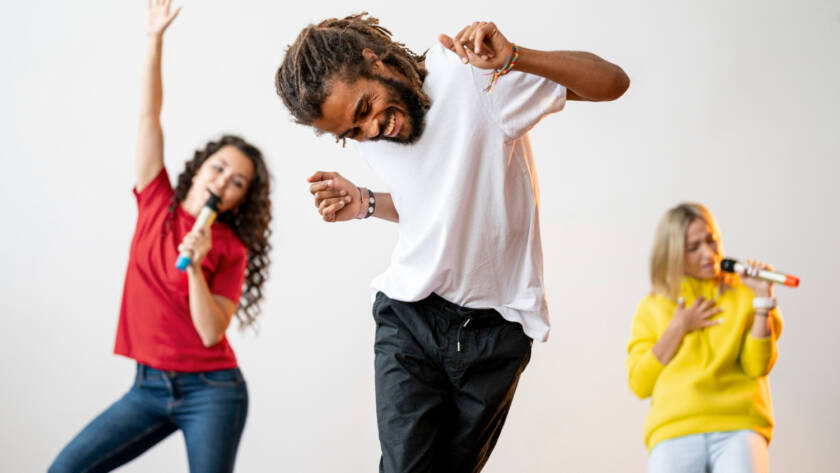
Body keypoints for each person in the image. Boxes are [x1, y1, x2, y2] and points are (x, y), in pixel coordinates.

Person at [276, 14, 629, 472]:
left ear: (374, 60)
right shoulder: (371, 136)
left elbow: (613, 82)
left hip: (495, 329)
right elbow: (434, 209)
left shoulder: (471, 79)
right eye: (351, 132)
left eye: (365, 110)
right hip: (411, 316)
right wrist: (364, 202)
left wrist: (515, 58)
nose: (369, 132)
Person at [49, 2, 271, 472]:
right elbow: (150, 117)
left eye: (237, 182)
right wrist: (154, 39)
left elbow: (212, 331)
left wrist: (197, 266)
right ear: (199, 168)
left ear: (238, 200)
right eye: (220, 167)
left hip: (213, 391)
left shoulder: (229, 249)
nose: (223, 181)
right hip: (147, 387)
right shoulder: (155, 201)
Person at [626, 203, 783, 473]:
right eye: (694, 247)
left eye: (712, 241)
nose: (709, 254)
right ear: (673, 253)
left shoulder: (745, 295)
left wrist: (763, 299)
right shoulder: (652, 306)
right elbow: (639, 383)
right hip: (674, 430)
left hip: (738, 425)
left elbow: (758, 366)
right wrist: (678, 327)